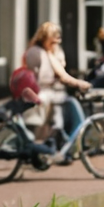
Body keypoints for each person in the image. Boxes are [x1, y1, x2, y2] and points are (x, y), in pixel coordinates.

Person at [21, 23, 90, 153]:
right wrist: (77, 83)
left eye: (58, 37)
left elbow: (61, 68)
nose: (57, 40)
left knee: (59, 119)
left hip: (54, 94)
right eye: (53, 37)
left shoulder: (53, 51)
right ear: (44, 37)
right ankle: (38, 148)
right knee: (41, 122)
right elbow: (47, 76)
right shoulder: (36, 52)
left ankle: (61, 147)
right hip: (41, 94)